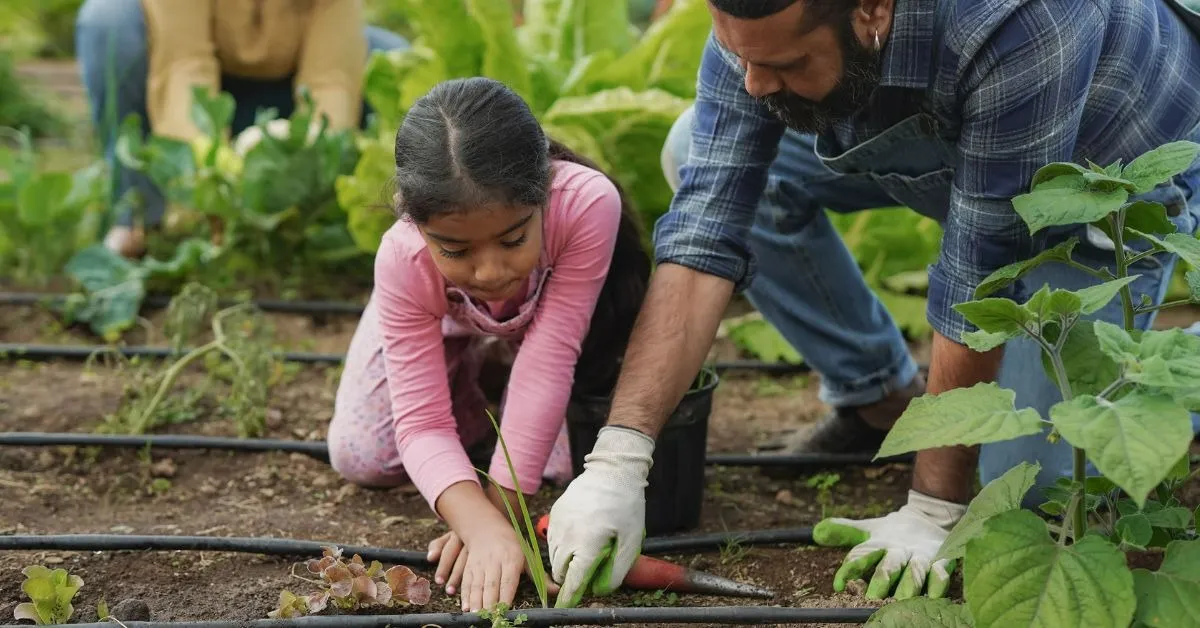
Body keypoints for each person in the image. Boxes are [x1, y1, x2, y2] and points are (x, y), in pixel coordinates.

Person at [548, 0, 1200, 607]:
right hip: (953, 134)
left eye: (784, 64)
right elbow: (703, 230)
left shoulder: (1022, 20)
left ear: (871, 10)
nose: (752, 84)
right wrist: (619, 458)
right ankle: (878, 398)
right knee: (690, 147)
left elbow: (981, 276)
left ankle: (1183, 375)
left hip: (1099, 180)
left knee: (1038, 490)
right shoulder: (765, 26)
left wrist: (934, 507)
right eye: (740, 57)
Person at [326, 77, 652, 613]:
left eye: (514, 239)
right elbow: (422, 421)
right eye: (455, 249)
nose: (491, 269)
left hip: (547, 335)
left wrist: (499, 516)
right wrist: (476, 524)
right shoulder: (404, 258)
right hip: (445, 320)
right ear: (415, 220)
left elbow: (549, 363)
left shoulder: (586, 204)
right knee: (363, 455)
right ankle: (479, 400)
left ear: (542, 191)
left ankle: (494, 404)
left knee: (573, 465)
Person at [74, 0, 410, 259]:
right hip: (200, 86)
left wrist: (307, 167)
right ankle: (140, 215)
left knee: (396, 57)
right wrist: (206, 179)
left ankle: (375, 222)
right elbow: (184, 65)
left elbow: (331, 82)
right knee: (108, 22)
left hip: (285, 90)